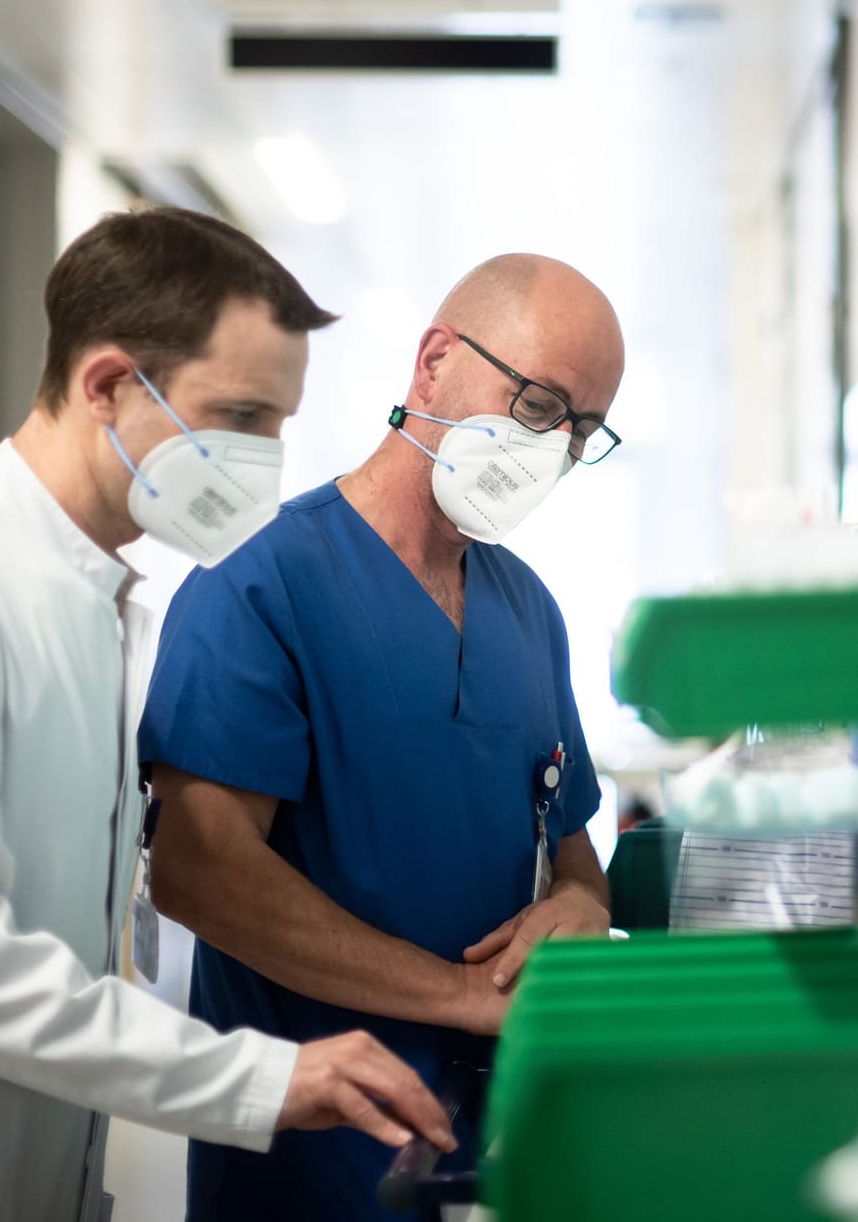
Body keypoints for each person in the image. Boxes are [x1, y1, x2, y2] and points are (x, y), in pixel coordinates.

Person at [0, 207, 453, 1222]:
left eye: (282, 424)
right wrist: (255, 1077)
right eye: (242, 416)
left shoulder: (89, 598)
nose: (267, 458)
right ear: (109, 383)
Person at [140, 253, 624, 1219]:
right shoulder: (259, 584)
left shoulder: (528, 610)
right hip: (316, 1154)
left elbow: (568, 847)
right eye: (537, 405)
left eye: (581, 431)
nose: (553, 446)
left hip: (486, 1143)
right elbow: (199, 871)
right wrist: (458, 995)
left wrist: (579, 901)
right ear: (434, 362)